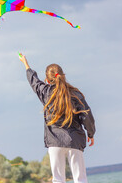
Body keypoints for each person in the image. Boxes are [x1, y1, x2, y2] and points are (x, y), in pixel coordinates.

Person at [19, 53, 96, 183]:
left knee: (58, 180)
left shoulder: (45, 92)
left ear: (47, 80)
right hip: (75, 140)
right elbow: (87, 115)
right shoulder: (75, 94)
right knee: (80, 178)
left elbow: (34, 81)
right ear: (63, 76)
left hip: (54, 142)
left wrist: (26, 64)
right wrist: (91, 133)